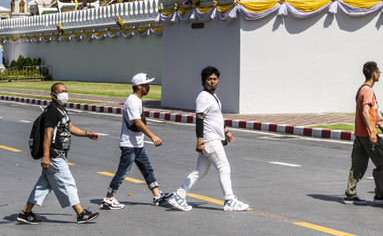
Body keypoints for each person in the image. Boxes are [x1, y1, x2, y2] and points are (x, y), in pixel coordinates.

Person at [167, 66, 250, 212]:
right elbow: (199, 119)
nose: (212, 82)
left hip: (212, 139)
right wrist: (200, 140)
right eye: (209, 79)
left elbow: (215, 118)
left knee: (200, 171)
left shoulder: (213, 96)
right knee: (224, 168)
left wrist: (226, 131)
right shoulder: (203, 97)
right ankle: (229, 199)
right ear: (203, 81)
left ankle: (179, 195)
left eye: (215, 79)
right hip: (210, 140)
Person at [17, 82, 100, 225]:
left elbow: (70, 127)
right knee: (67, 183)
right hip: (55, 156)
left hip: (59, 155)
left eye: (65, 91)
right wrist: (46, 156)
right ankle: (81, 213)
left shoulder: (61, 110)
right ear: (53, 95)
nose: (64, 94)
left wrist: (87, 134)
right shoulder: (52, 112)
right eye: (61, 92)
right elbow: (47, 134)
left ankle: (26, 212)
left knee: (43, 186)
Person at [101, 73, 173, 210]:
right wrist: (153, 136)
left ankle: (157, 195)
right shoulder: (132, 101)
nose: (149, 87)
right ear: (139, 86)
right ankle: (108, 198)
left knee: (147, 169)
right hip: (129, 145)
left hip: (137, 144)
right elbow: (138, 123)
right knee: (122, 172)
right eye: (146, 84)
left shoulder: (137, 100)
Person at [344, 61, 383, 205]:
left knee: (358, 165)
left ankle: (350, 194)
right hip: (367, 134)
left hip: (359, 134)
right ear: (373, 74)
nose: (379, 74)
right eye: (378, 72)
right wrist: (372, 131)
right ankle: (380, 194)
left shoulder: (361, 89)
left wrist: (378, 122)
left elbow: (367, 112)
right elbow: (365, 112)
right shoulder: (369, 91)